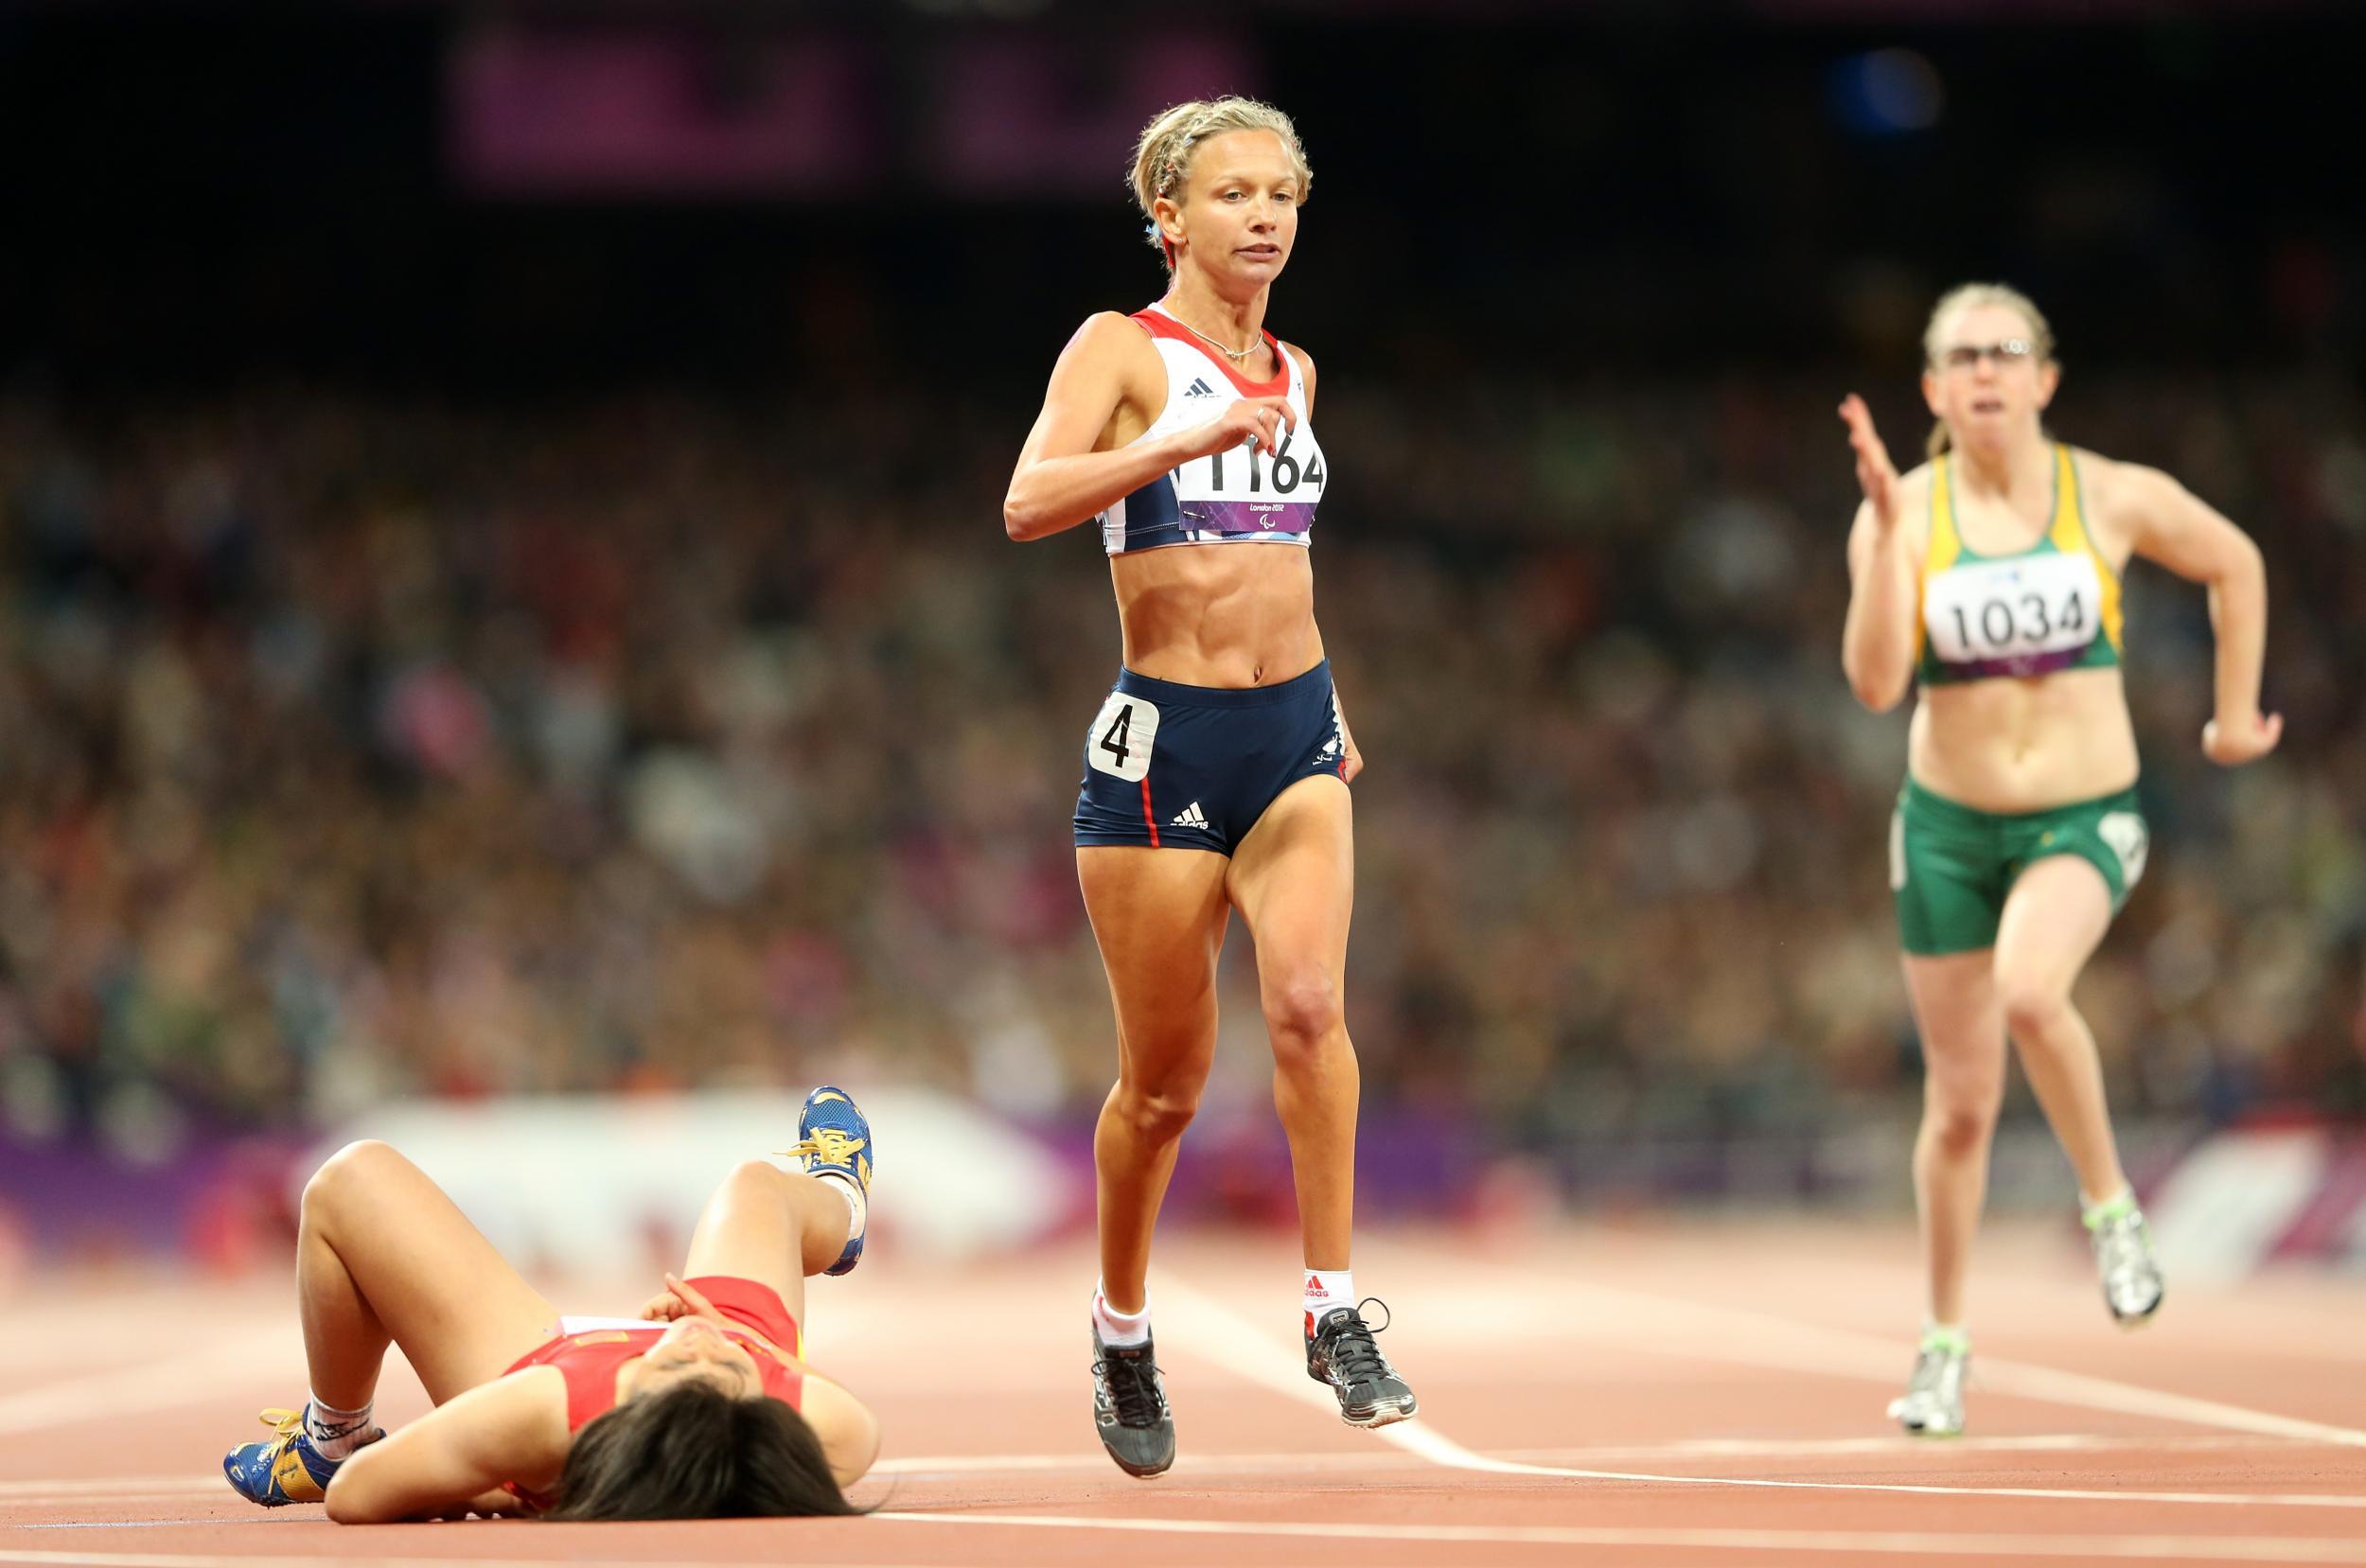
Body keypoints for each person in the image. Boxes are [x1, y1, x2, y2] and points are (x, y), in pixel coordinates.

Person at [1002, 96, 1416, 1478]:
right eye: (1233, 194)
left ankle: (1331, 1307)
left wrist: (1331, 695)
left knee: (1308, 1006)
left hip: (1294, 732)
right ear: (1169, 216)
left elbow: (1280, 557)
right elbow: (1025, 501)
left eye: (1282, 196)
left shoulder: (1298, 370)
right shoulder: (1121, 348)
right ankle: (1123, 1323)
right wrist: (1173, 444)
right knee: (1165, 1089)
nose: (1264, 217)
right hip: (1164, 742)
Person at [1839, 283, 2279, 1436]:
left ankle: (2110, 1207)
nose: (1984, 371)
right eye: (1960, 357)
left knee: (2033, 992)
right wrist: (1886, 543)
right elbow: (1878, 684)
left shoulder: (2110, 494)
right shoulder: (1906, 510)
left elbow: (2235, 560)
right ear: (1933, 391)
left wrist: (2234, 716)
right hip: (1944, 827)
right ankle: (1941, 1348)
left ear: (2043, 376)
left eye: (2006, 352)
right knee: (1961, 1108)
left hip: (2082, 818)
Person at [221, 1086, 880, 1520]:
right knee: (755, 1185)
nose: (698, 1344)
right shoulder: (802, 1418)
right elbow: (851, 1423)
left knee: (348, 1181)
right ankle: (843, 1207)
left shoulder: (543, 1409)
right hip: (736, 1367)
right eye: (729, 1371)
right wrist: (748, 1346)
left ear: (635, 1407)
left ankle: (329, 1435)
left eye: (679, 1365)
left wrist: (478, 1475)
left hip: (546, 1363)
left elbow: (354, 1495)